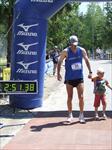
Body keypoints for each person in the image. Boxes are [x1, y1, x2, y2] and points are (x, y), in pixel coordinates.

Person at [57, 35, 92, 123]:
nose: (74, 46)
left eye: (75, 44)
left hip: (79, 77)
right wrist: (58, 73)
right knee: (70, 97)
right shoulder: (65, 51)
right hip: (69, 78)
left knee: (81, 97)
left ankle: (81, 115)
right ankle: (70, 114)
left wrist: (90, 71)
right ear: (70, 43)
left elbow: (87, 60)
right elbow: (59, 62)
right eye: (73, 44)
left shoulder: (82, 50)